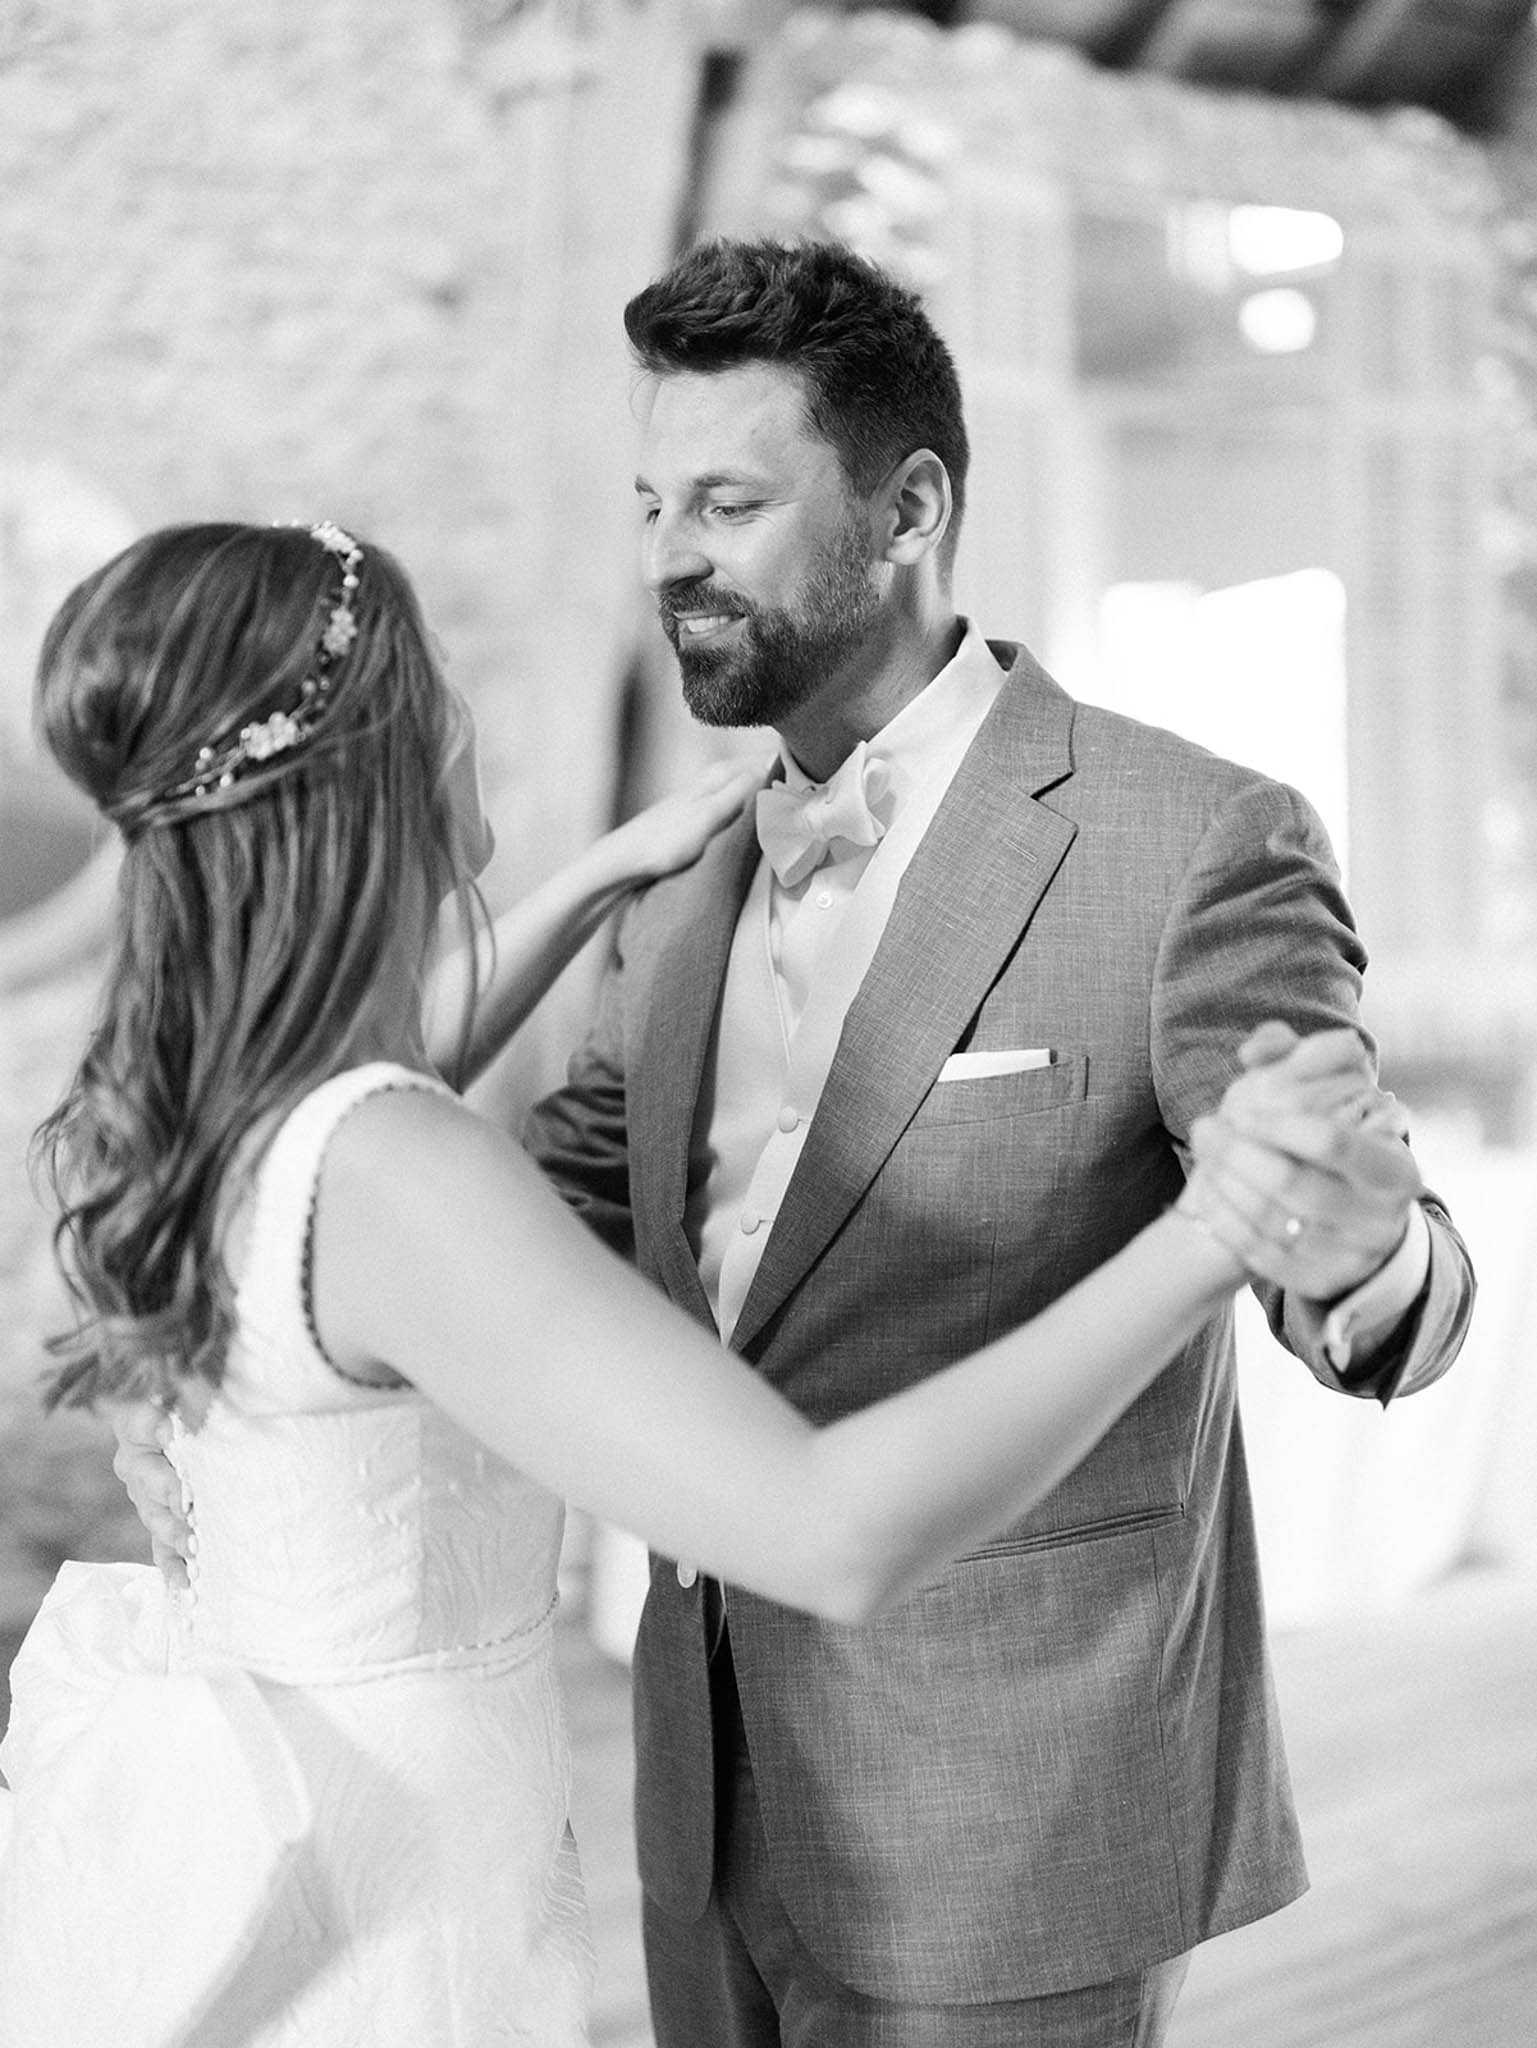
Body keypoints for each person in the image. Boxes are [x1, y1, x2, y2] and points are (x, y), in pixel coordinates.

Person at [0, 517, 1365, 2048]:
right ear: (382, 754)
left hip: (303, 1835)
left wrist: (606, 870)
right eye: (437, 678)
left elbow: (373, 1067)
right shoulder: (396, 1169)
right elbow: (831, 1532)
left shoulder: (193, 1111)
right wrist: (1212, 1231)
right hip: (394, 1915)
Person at [516, 239, 1477, 2048]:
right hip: (697, 1802)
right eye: (653, 498)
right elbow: (523, 1228)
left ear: (910, 506)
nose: (667, 554)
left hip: (1021, 1815)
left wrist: (1355, 1244)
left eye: (727, 499)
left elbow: (1383, 1293)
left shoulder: (1185, 838)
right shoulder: (670, 886)